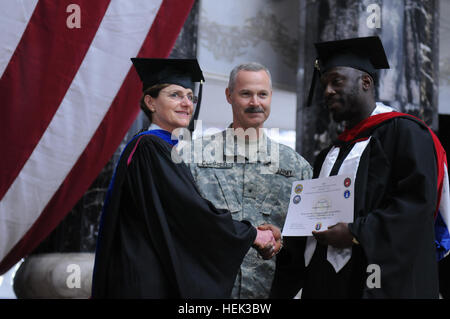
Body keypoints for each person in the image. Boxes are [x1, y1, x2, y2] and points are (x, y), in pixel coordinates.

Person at [271, 36, 450, 298]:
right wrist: (286, 240)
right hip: (328, 284)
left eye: (336, 80)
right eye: (324, 84)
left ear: (365, 82)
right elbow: (312, 223)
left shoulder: (406, 134)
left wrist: (355, 233)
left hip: (379, 282)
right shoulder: (329, 154)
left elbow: (415, 207)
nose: (328, 90)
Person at [91, 58, 282, 298]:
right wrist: (251, 234)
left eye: (190, 97)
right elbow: (190, 213)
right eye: (175, 95)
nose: (186, 104)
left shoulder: (152, 147)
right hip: (144, 281)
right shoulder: (151, 148)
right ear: (150, 102)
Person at [189, 62, 313, 299]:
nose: (255, 102)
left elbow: (307, 243)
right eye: (246, 93)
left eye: (262, 94)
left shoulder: (297, 168)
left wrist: (282, 242)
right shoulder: (195, 158)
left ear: (270, 97)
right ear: (229, 95)